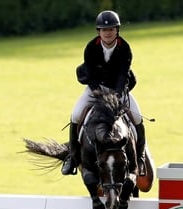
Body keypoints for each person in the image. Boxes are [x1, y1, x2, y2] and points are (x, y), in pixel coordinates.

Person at [62, 10, 147, 176]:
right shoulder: (91, 48)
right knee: (76, 114)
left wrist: (116, 95)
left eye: (111, 30)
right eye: (104, 30)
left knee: (137, 117)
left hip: (118, 90)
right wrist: (97, 92)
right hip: (96, 89)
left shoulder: (125, 48)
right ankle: (72, 157)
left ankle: (141, 159)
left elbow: (123, 74)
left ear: (117, 30)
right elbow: (91, 75)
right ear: (99, 31)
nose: (107, 33)